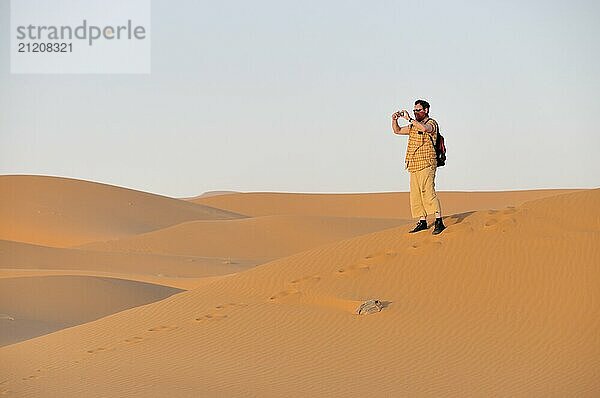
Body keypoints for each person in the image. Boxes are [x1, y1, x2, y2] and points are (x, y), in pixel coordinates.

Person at [392, 99, 446, 235]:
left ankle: (439, 221)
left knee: (428, 192)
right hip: (414, 165)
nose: (416, 112)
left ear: (426, 110)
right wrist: (394, 120)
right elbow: (397, 131)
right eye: (414, 110)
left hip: (427, 163)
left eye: (418, 110)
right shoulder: (412, 126)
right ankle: (423, 221)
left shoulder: (431, 123)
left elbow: (424, 129)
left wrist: (409, 119)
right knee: (416, 194)